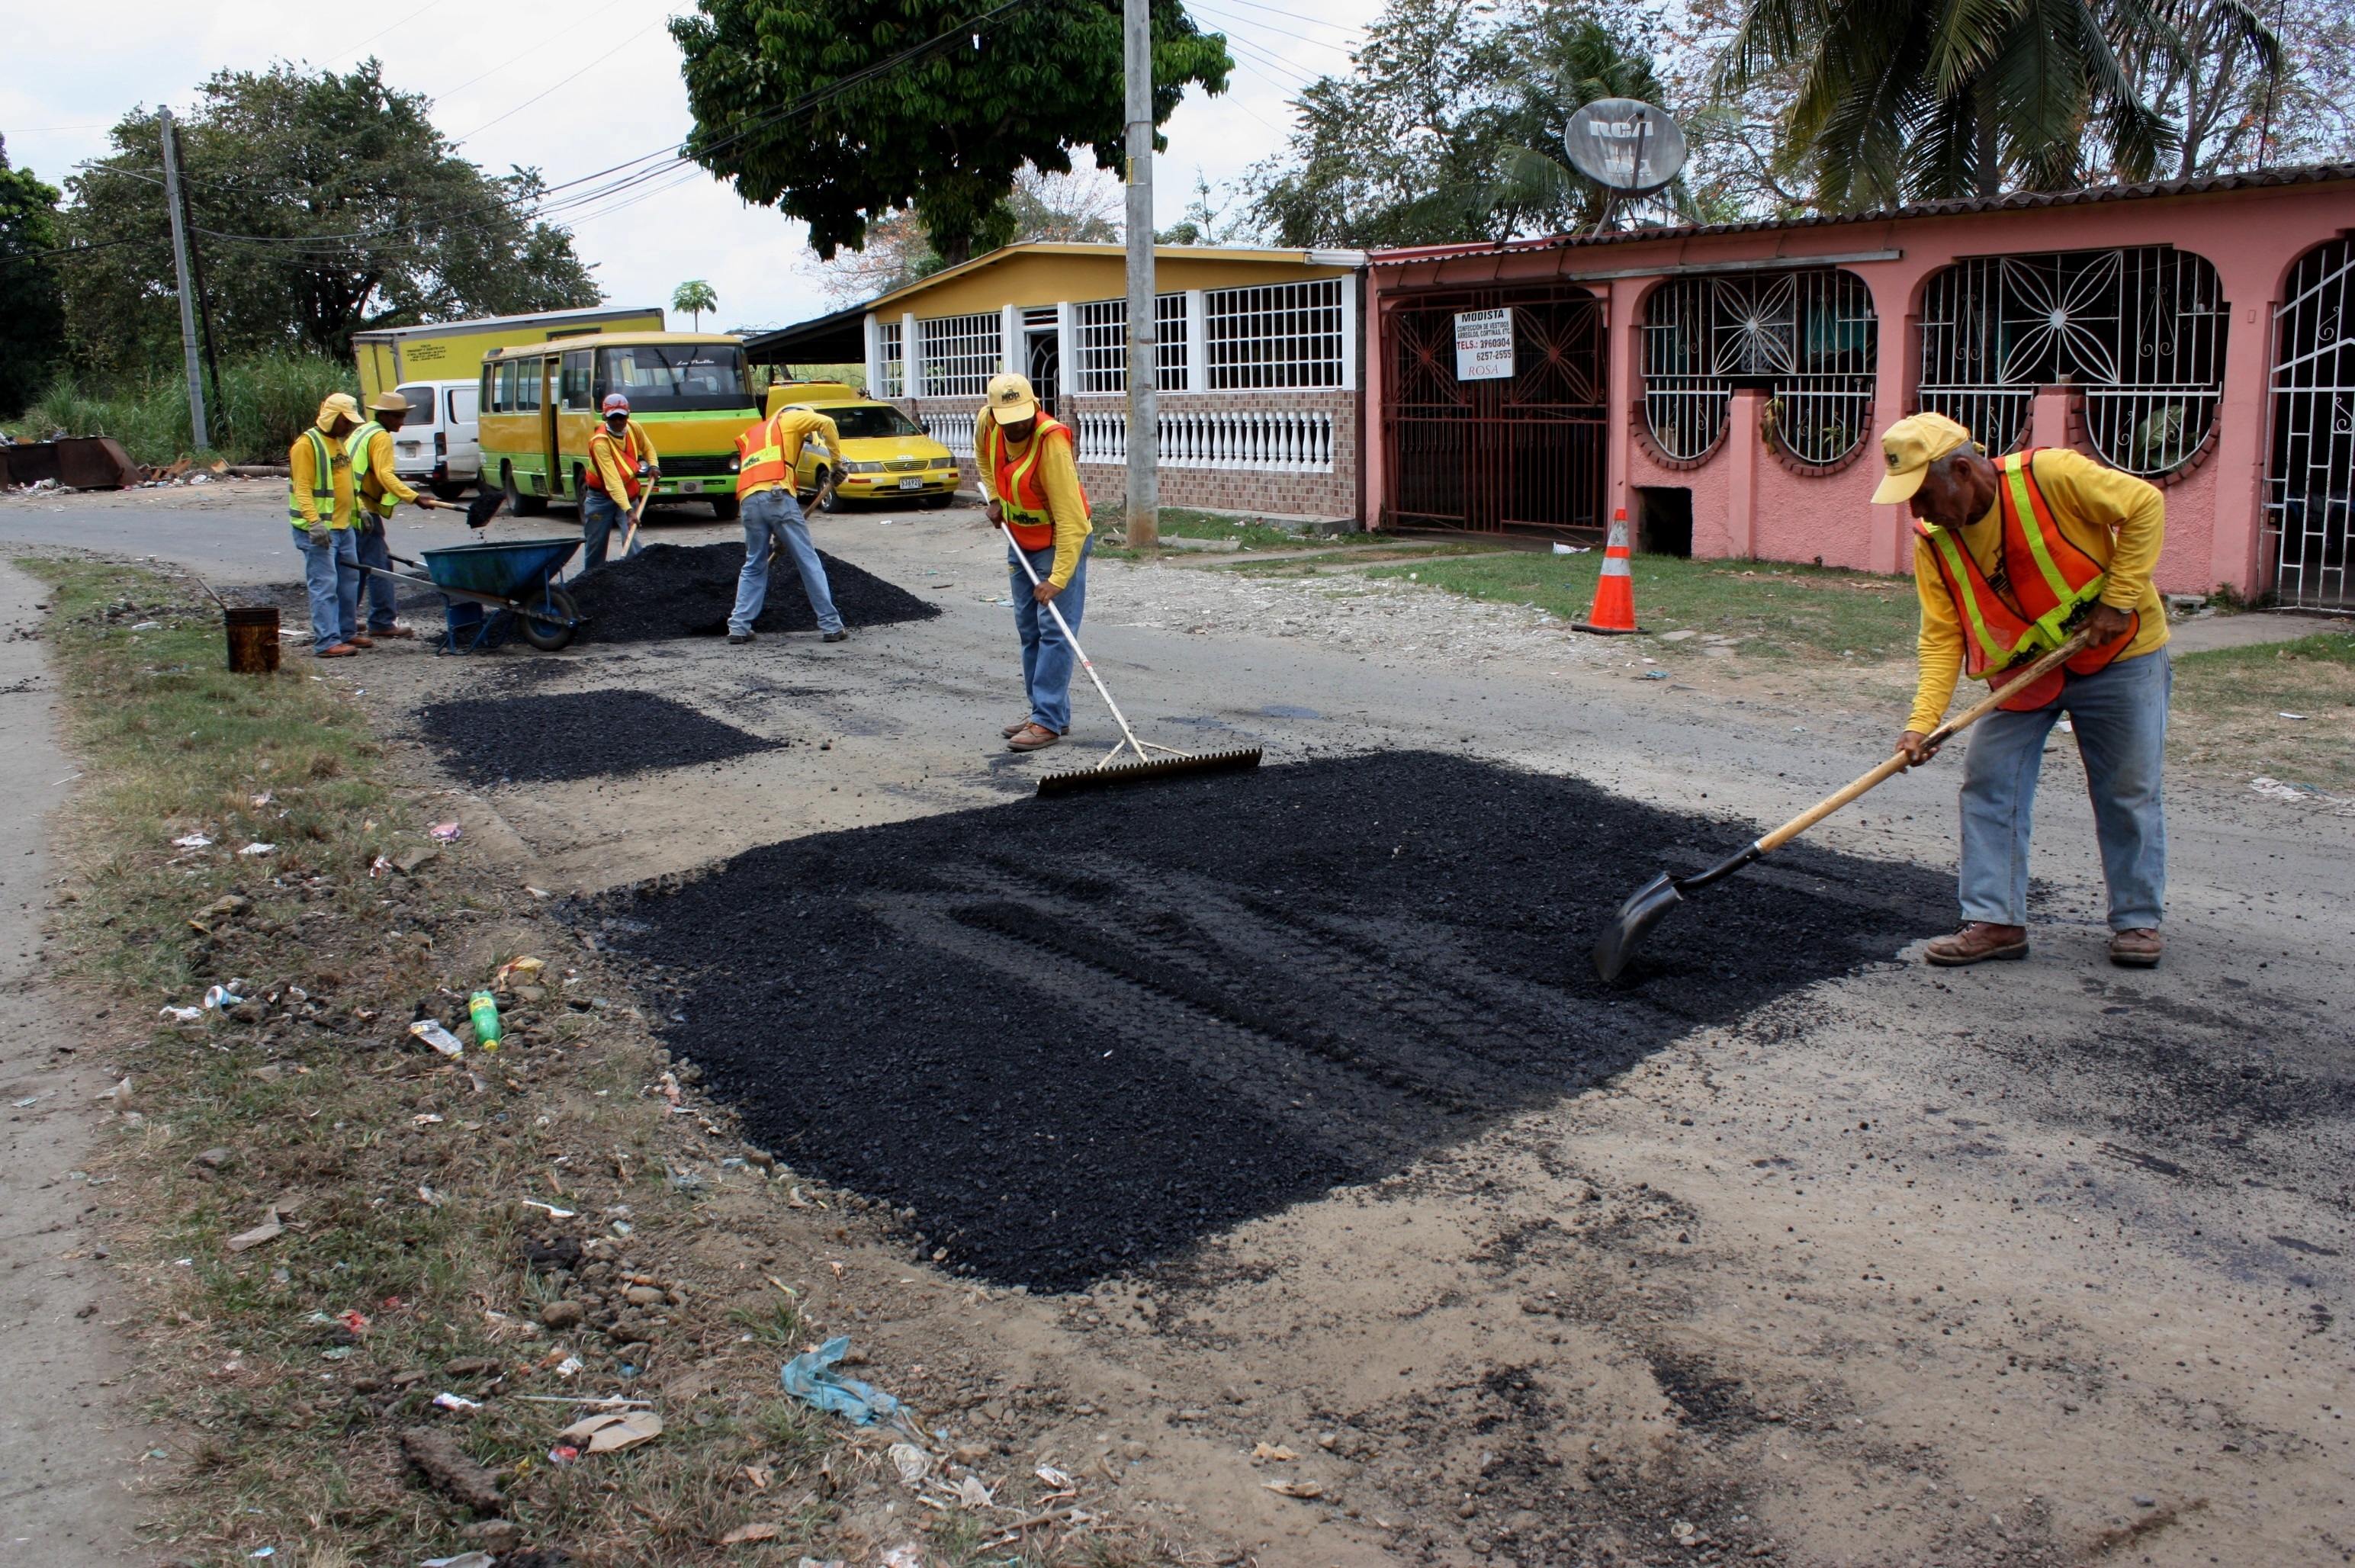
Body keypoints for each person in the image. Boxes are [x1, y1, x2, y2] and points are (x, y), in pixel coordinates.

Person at [1878, 412, 2171, 969]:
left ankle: (2136, 920)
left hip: (2118, 656)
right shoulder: (1934, 540)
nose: (1917, 511)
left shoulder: (2052, 475)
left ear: (1961, 471)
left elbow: (2144, 505)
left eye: (1922, 495)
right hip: (2024, 674)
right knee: (1990, 782)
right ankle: (1996, 921)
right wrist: (1922, 723)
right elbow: (1942, 636)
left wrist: (2119, 599)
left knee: (2126, 790)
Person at [977, 372, 1091, 753]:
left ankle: (1047, 722)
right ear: (994, 413)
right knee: (1029, 629)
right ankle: (1046, 712)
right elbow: (983, 456)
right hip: (1020, 539)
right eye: (1008, 419)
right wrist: (996, 498)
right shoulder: (987, 423)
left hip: (1059, 543)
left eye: (1023, 417)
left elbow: (1074, 521)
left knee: (1055, 630)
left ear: (1035, 406)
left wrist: (1058, 578)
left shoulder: (1051, 444)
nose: (1017, 426)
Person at [726, 400, 847, 645]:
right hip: (777, 495)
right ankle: (831, 625)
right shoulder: (791, 418)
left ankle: (738, 627)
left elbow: (761, 486)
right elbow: (827, 423)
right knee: (807, 560)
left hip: (749, 501)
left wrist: (780, 537)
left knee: (754, 564)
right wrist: (836, 464)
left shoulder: (754, 433)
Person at [347, 390, 446, 641]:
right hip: (362, 509)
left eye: (403, 416)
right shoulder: (380, 436)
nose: (402, 421)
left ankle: (345, 619)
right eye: (397, 416)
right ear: (383, 415)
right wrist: (415, 498)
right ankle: (382, 622)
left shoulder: (364, 430)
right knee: (378, 565)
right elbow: (385, 475)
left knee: (358, 566)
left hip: (349, 505)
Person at [289, 392, 365, 658]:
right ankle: (327, 641)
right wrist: (314, 522)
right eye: (346, 421)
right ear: (332, 417)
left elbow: (346, 482)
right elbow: (302, 488)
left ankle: (346, 632)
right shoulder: (307, 445)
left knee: (348, 583)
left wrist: (361, 509)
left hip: (344, 527)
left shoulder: (338, 443)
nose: (350, 426)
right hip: (322, 530)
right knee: (325, 585)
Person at [583, 393, 659, 569]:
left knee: (632, 541)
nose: (618, 422)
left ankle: (634, 576)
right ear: (605, 417)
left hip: (628, 492)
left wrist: (654, 465)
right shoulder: (600, 443)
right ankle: (593, 579)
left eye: (622, 417)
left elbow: (648, 448)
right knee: (596, 543)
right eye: (613, 418)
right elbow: (613, 482)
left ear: (628, 415)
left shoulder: (634, 428)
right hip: (601, 497)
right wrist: (629, 511)